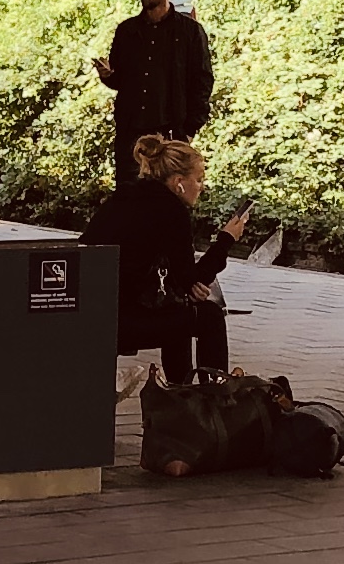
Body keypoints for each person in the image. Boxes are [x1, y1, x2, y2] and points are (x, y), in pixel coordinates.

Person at [85, 133, 248, 386]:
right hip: (122, 322)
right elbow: (191, 278)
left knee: (180, 312)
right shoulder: (170, 210)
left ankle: (181, 393)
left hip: (91, 312)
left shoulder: (124, 197)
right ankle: (212, 398)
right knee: (210, 317)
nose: (202, 187)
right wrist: (226, 239)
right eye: (199, 179)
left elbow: (178, 277)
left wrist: (185, 285)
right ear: (179, 182)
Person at [95, 0, 213, 184]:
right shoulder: (127, 31)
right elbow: (120, 81)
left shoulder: (189, 32)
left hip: (169, 135)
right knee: (129, 196)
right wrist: (107, 75)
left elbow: (202, 82)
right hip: (131, 136)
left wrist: (188, 131)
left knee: (165, 198)